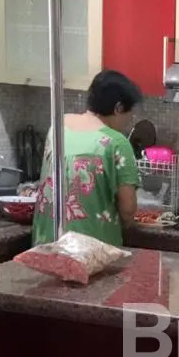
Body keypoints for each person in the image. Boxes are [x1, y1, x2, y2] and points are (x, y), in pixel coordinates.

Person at [33, 70, 142, 246]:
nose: (129, 121)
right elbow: (128, 210)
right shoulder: (116, 142)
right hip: (91, 250)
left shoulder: (58, 126)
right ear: (118, 108)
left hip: (47, 243)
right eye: (130, 114)